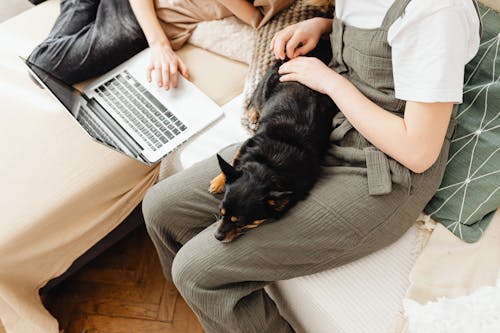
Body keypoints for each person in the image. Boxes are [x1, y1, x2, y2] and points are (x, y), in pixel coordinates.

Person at [141, 0, 481, 332]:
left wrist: (330, 82)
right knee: (160, 207)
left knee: (196, 272)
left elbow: (418, 151)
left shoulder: (438, 11)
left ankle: (216, 298)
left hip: (381, 171)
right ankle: (216, 315)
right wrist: (323, 27)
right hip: (321, 132)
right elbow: (386, 36)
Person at [27, 0, 292, 85]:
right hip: (141, 16)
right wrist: (159, 45)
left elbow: (259, 22)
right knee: (43, 66)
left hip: (146, 15)